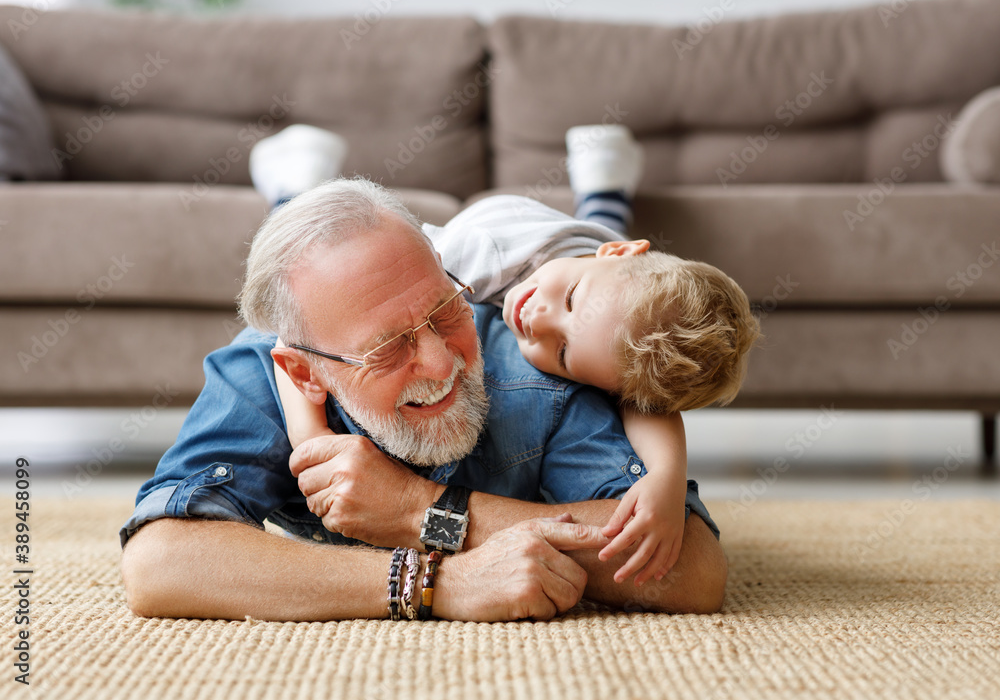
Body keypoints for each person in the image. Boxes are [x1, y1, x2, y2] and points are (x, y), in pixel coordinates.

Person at [119, 145, 729, 625]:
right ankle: (291, 185)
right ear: (306, 373)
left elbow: (691, 569)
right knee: (295, 240)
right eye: (388, 348)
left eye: (444, 314)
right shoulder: (260, 370)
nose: (441, 363)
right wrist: (432, 582)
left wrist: (420, 512)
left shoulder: (540, 359)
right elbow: (159, 562)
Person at [269, 125, 759, 586]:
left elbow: (646, 403)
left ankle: (605, 194)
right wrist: (312, 439)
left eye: (563, 353)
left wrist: (667, 480)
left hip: (586, 260)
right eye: (570, 302)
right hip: (533, 244)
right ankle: (293, 189)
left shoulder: (602, 302)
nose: (537, 319)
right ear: (617, 255)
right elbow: (303, 325)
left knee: (598, 247)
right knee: (308, 255)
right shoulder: (473, 259)